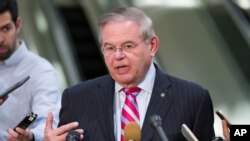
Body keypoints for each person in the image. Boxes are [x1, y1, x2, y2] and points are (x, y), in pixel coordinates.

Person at [44, 7, 215, 141]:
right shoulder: (76, 99)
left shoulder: (193, 99)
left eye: (128, 46)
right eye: (110, 48)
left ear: (153, 45)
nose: (118, 56)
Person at [0, 0, 61, 140]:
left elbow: (47, 122)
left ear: (18, 24)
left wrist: (31, 136)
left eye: (5, 28)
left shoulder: (42, 71)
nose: (0, 39)